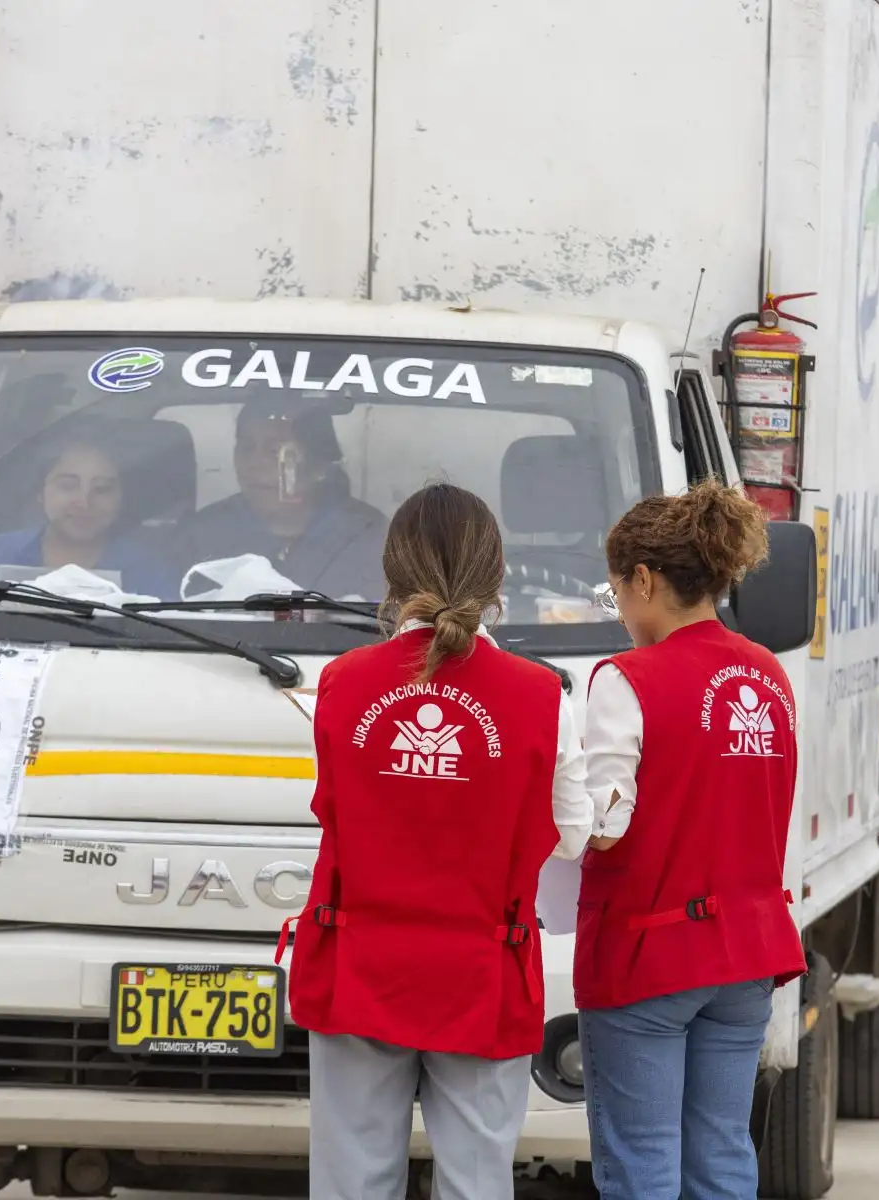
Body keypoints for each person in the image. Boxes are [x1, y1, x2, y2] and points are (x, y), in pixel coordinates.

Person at [277, 482, 592, 1200]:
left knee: (352, 1184)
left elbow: (336, 808)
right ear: (497, 576)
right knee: (478, 1184)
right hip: (485, 967)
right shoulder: (543, 697)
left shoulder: (341, 684)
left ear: (391, 574)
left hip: (358, 960)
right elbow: (572, 837)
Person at [573, 480, 808, 1200]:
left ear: (644, 579)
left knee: (641, 1163)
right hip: (745, 953)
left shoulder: (626, 679)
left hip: (648, 953)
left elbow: (606, 824)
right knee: (722, 1156)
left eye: (618, 594)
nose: (620, 614)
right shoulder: (768, 674)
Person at [170, 403, 388, 598]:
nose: (255, 463)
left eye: (276, 451)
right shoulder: (202, 534)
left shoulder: (369, 536)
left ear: (319, 465)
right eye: (246, 447)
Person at [0, 424, 177, 598]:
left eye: (102, 488)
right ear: (41, 492)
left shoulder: (147, 572)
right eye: (68, 485)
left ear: (121, 498)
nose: (84, 502)